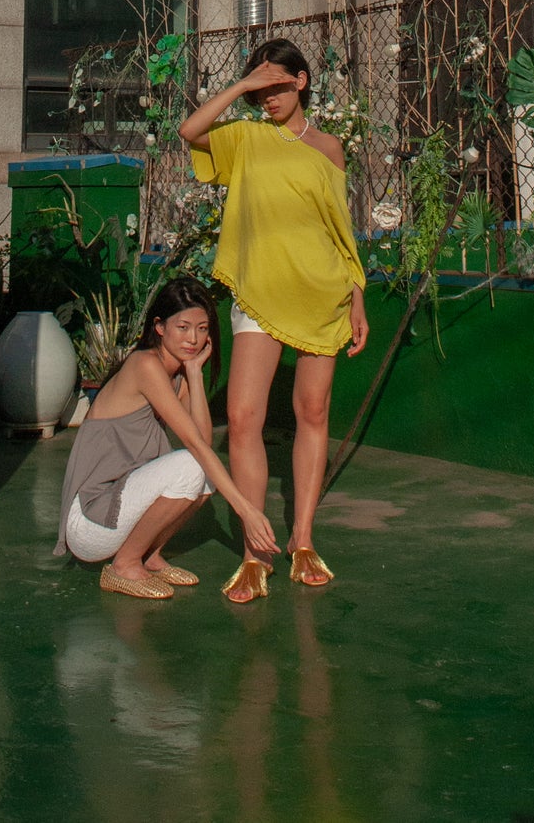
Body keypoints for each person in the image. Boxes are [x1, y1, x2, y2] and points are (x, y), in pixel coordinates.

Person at [181, 40, 368, 604]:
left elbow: (341, 228)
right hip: (260, 294)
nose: (267, 99)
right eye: (259, 91)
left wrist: (357, 296)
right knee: (242, 419)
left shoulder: (331, 148)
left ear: (302, 82)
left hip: (322, 294)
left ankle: (303, 540)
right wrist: (239, 88)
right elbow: (191, 133)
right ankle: (255, 552)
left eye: (276, 87)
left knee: (312, 413)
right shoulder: (247, 138)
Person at [55, 274, 279, 600]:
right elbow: (196, 447)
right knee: (193, 464)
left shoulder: (177, 374)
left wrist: (194, 374)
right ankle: (124, 566)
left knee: (204, 476)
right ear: (159, 327)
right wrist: (246, 510)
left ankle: (149, 556)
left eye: (202, 329)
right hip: (90, 522)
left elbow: (202, 438)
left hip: (118, 511)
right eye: (183, 327)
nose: (193, 338)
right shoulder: (143, 366)